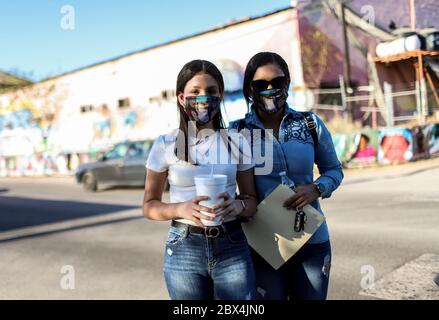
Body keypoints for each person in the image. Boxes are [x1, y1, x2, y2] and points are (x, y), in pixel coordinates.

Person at [229, 52, 344, 300]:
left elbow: (334, 170)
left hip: (312, 241)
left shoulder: (309, 123)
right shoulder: (236, 132)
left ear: (288, 83)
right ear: (250, 90)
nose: (270, 89)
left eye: (277, 82)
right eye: (261, 85)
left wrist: (317, 188)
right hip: (263, 245)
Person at [143, 60, 258, 300]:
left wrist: (239, 206)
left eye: (211, 91)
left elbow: (251, 200)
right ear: (182, 98)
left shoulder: (238, 141)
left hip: (232, 243)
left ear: (221, 95)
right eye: (195, 92)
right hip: (184, 245)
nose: (204, 98)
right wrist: (181, 208)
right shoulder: (166, 144)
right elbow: (149, 205)